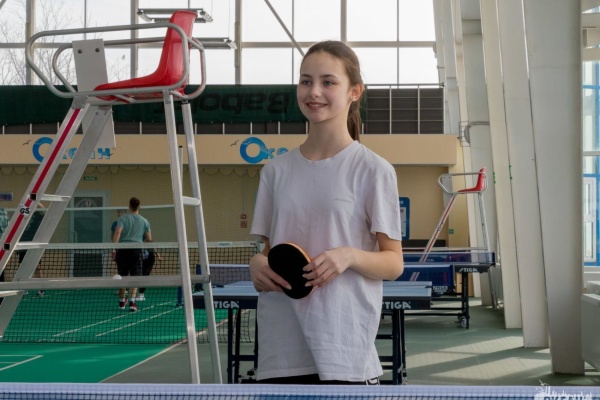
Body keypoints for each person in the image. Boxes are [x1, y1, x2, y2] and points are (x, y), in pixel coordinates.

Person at [249, 40, 404, 385]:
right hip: (282, 351)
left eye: (328, 82)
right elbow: (270, 253)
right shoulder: (275, 171)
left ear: (354, 92)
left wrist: (348, 256)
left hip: (344, 350)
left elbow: (394, 263)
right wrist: (257, 264)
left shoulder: (373, 170)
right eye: (306, 81)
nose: (314, 91)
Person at [112, 197, 152, 312]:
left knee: (122, 276)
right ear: (139, 207)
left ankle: (121, 302)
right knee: (135, 277)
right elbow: (149, 239)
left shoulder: (122, 218)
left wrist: (113, 248)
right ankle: (132, 303)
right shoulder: (144, 221)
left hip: (122, 250)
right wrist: (140, 243)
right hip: (136, 251)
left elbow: (117, 233)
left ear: (129, 206)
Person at [17, 203, 46, 297]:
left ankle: (41, 288)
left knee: (36, 267)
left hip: (34, 244)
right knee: (22, 267)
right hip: (23, 244)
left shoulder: (38, 215)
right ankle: (24, 288)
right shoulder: (26, 213)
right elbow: (21, 209)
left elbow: (43, 209)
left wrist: (35, 201)